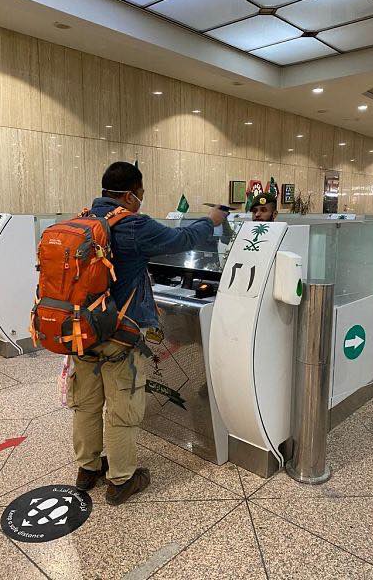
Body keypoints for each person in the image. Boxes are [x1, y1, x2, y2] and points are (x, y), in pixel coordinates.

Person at [69, 161, 226, 506]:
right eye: (140, 193)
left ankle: (87, 469)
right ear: (128, 194)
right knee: (122, 407)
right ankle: (122, 479)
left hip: (80, 332)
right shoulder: (133, 225)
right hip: (119, 335)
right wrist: (211, 220)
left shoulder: (78, 221)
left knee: (86, 404)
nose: (142, 198)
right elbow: (182, 239)